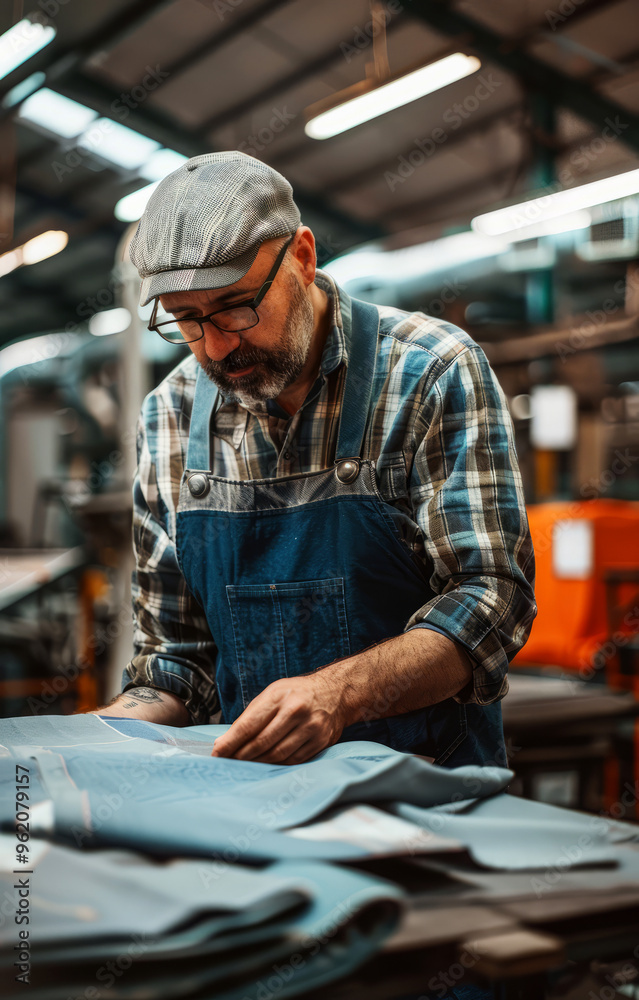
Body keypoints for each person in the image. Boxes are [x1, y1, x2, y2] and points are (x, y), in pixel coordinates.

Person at [94, 150, 537, 771]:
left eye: (236, 305)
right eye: (187, 322)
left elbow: (491, 597)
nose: (218, 346)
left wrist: (339, 696)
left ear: (301, 256)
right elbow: (177, 659)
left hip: (427, 799)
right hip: (248, 805)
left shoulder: (429, 372)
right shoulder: (168, 414)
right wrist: (88, 741)